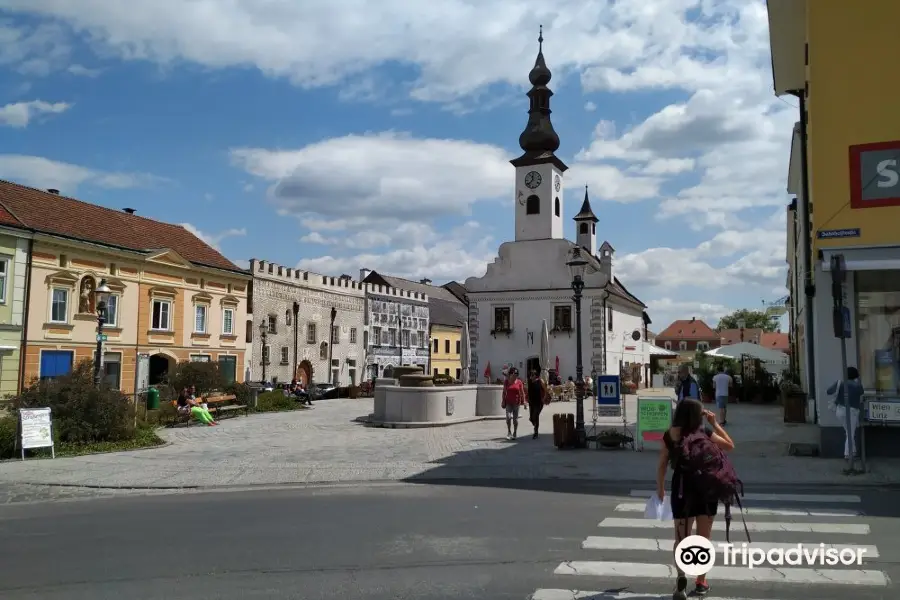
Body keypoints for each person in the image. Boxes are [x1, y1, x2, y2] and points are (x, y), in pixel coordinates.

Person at [656, 399, 734, 599]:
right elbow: (730, 446)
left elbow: (663, 464)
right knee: (703, 538)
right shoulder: (704, 434)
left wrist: (660, 488)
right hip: (706, 489)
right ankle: (701, 581)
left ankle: (681, 577)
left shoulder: (670, 435)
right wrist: (715, 423)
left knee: (681, 537)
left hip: (682, 488)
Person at [827, 367, 864, 460]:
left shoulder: (840, 383)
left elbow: (828, 391)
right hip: (852, 412)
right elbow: (861, 394)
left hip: (840, 411)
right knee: (851, 433)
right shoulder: (858, 386)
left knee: (849, 432)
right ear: (856, 375)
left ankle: (853, 452)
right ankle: (848, 454)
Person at [502, 368, 527, 440]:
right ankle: (509, 431)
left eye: (516, 374)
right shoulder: (506, 382)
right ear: (509, 374)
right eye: (513, 374)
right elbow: (504, 392)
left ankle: (515, 432)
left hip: (516, 403)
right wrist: (503, 401)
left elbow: (522, 393)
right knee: (508, 417)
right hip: (508, 402)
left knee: (515, 420)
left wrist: (524, 401)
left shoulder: (519, 382)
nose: (514, 376)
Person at [527, 371, 548, 439]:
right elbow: (528, 391)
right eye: (530, 375)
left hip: (539, 402)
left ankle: (536, 432)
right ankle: (535, 425)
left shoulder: (540, 381)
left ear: (536, 375)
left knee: (535, 415)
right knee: (532, 418)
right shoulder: (529, 382)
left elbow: (545, 390)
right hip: (531, 402)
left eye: (533, 375)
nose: (531, 376)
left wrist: (544, 397)